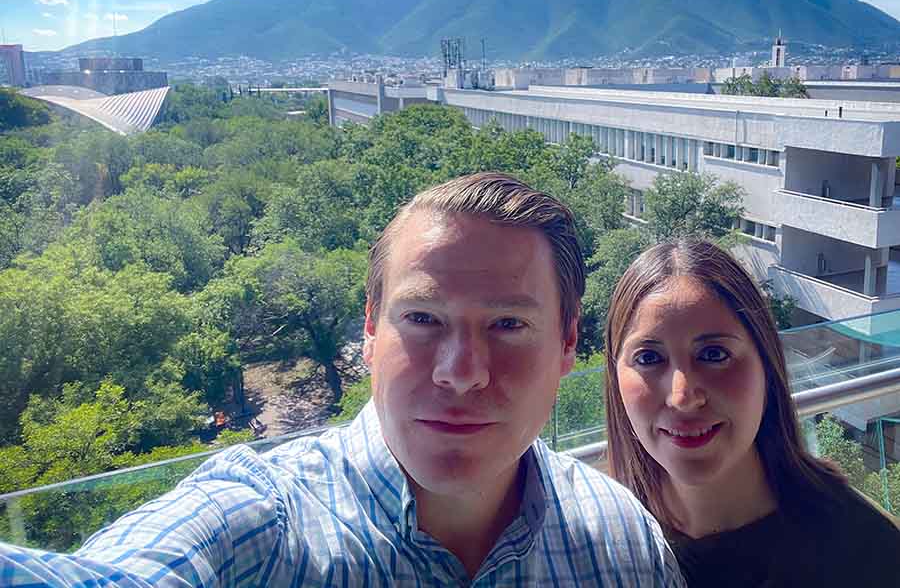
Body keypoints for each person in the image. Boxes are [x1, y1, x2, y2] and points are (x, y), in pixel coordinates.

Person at [0, 172, 684, 587]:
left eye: (508, 325)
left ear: (569, 343)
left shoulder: (622, 537)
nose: (462, 373)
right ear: (368, 331)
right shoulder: (261, 528)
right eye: (422, 318)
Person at [603, 239, 900, 588]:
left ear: (767, 367)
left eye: (714, 354)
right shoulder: (597, 536)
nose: (682, 397)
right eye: (649, 358)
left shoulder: (868, 554)